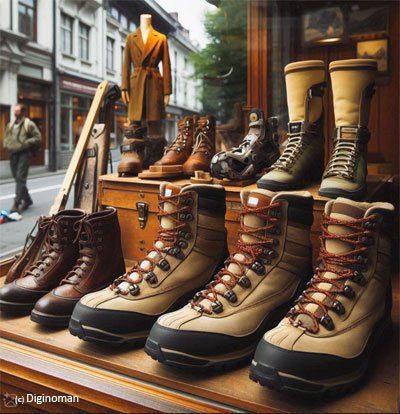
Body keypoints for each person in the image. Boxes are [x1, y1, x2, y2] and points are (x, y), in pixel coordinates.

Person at [3, 104, 41, 212]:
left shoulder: (28, 124)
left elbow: (38, 137)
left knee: (20, 178)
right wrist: (6, 145)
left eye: (18, 111)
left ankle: (16, 203)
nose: (15, 112)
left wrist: (26, 143)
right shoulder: (10, 125)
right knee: (17, 178)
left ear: (23, 112)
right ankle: (27, 199)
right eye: (15, 111)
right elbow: (6, 137)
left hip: (24, 154)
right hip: (13, 154)